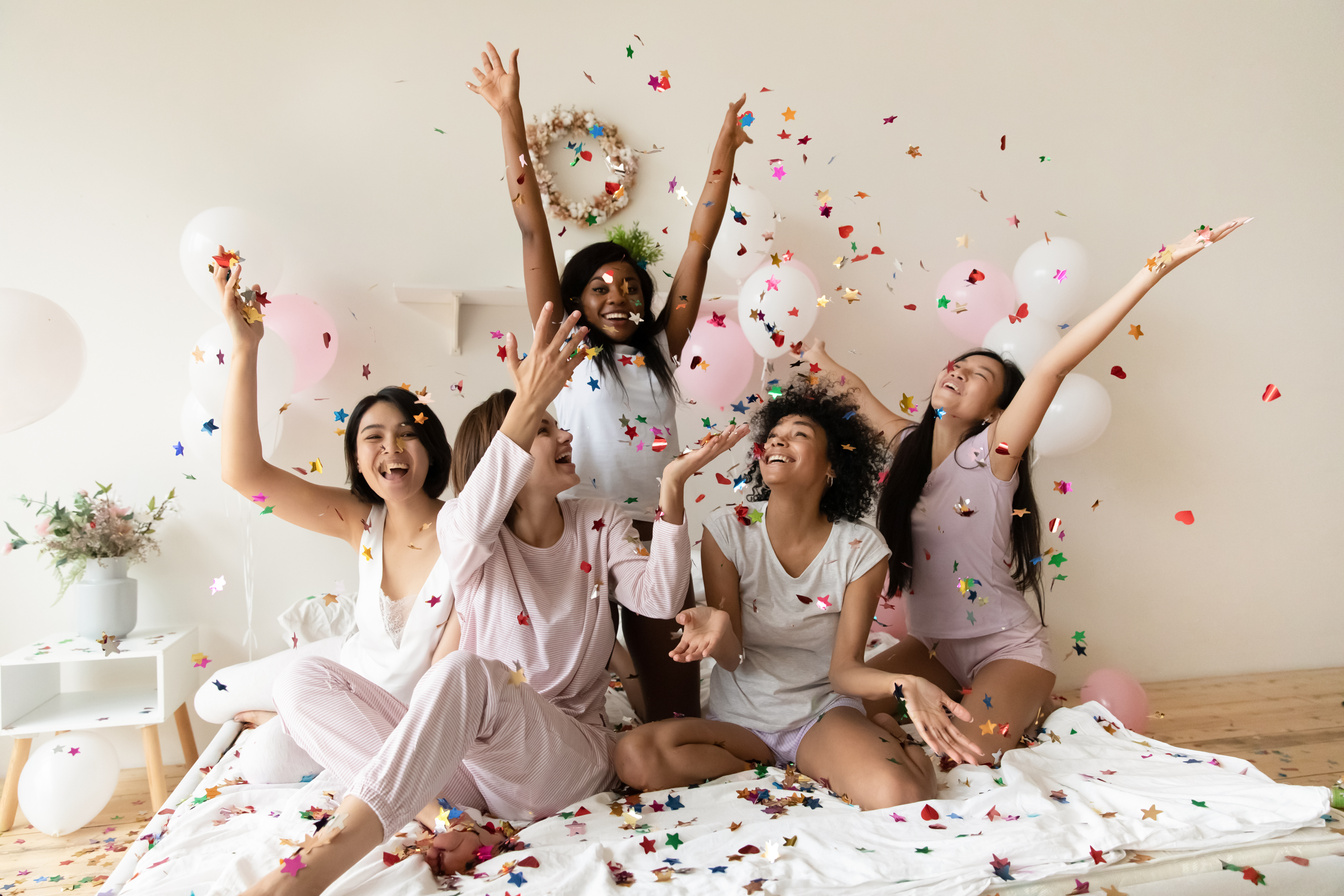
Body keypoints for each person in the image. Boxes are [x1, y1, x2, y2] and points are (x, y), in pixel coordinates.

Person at [239, 305, 747, 894]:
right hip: (472, 774)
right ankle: (448, 821)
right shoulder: (468, 534)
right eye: (546, 428)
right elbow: (469, 519)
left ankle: (313, 868)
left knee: (466, 673)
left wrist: (671, 490)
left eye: (557, 424)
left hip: (565, 759)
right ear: (502, 461)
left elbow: (658, 599)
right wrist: (525, 399)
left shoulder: (599, 519)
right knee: (298, 682)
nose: (566, 435)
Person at [804, 217, 1250, 763]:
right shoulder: (908, 448)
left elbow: (1055, 365)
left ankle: (1023, 703)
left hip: (1006, 650)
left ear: (995, 412)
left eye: (978, 376)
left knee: (966, 753)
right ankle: (951, 713)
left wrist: (1157, 266)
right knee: (835, 704)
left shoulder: (993, 453)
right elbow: (857, 393)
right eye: (958, 365)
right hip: (933, 650)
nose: (959, 373)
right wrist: (819, 359)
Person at [467, 41, 751, 720]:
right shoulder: (561, 352)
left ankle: (663, 750)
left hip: (653, 545)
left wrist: (725, 153)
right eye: (599, 287)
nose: (619, 295)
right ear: (575, 303)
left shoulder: (660, 347)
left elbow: (698, 247)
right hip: (578, 548)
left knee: (675, 707)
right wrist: (510, 114)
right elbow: (534, 231)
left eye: (629, 285)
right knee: (564, 697)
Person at [614, 383, 970, 810]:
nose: (778, 440)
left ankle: (875, 735)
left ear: (832, 466)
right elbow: (731, 658)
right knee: (634, 757)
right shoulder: (728, 529)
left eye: (799, 433)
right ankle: (759, 760)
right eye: (775, 435)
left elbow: (845, 672)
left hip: (819, 717)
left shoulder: (860, 547)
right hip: (740, 723)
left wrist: (906, 683)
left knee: (904, 793)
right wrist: (721, 627)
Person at [194, 260, 459, 782]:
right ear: (358, 460)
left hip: (380, 713)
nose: (391, 448)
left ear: (430, 448)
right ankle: (288, 709)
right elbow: (242, 473)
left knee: (263, 765)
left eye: (406, 433)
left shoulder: (465, 530)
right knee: (209, 698)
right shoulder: (360, 521)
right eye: (373, 437)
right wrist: (246, 345)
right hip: (340, 663)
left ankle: (289, 718)